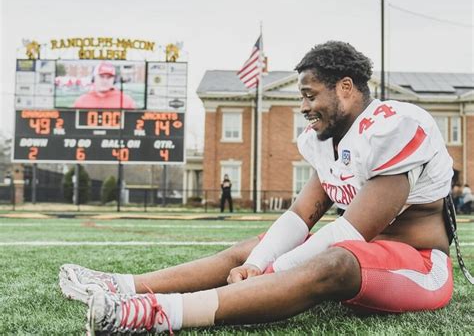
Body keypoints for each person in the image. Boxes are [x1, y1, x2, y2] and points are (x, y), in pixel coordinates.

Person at [60, 41, 456, 334]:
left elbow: (352, 232)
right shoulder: (328, 141)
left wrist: (273, 269)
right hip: (362, 253)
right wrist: (257, 261)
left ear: (346, 88)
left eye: (309, 94)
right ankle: (123, 286)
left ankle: (158, 313)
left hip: (417, 264)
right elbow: (301, 215)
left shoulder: (393, 125)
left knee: (333, 259)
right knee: (257, 245)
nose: (303, 107)